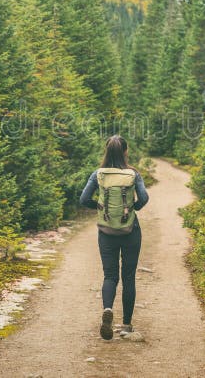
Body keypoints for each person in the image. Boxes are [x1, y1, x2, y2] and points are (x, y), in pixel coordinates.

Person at [80, 135, 149, 340]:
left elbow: (84, 199)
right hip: (130, 231)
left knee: (110, 275)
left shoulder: (98, 174)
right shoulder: (133, 174)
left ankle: (108, 309)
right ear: (125, 152)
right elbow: (144, 198)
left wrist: (99, 207)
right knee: (128, 277)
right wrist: (133, 208)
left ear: (106, 151)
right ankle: (127, 325)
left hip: (106, 231)